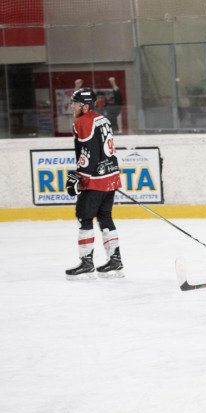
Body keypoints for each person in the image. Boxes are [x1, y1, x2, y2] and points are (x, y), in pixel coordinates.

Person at [64, 87, 124, 280]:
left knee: (84, 217)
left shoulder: (82, 122)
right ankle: (115, 261)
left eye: (75, 103)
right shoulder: (103, 119)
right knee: (105, 217)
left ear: (85, 106)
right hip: (110, 177)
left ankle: (86, 263)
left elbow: (88, 153)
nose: (72, 106)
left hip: (95, 181)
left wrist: (79, 176)